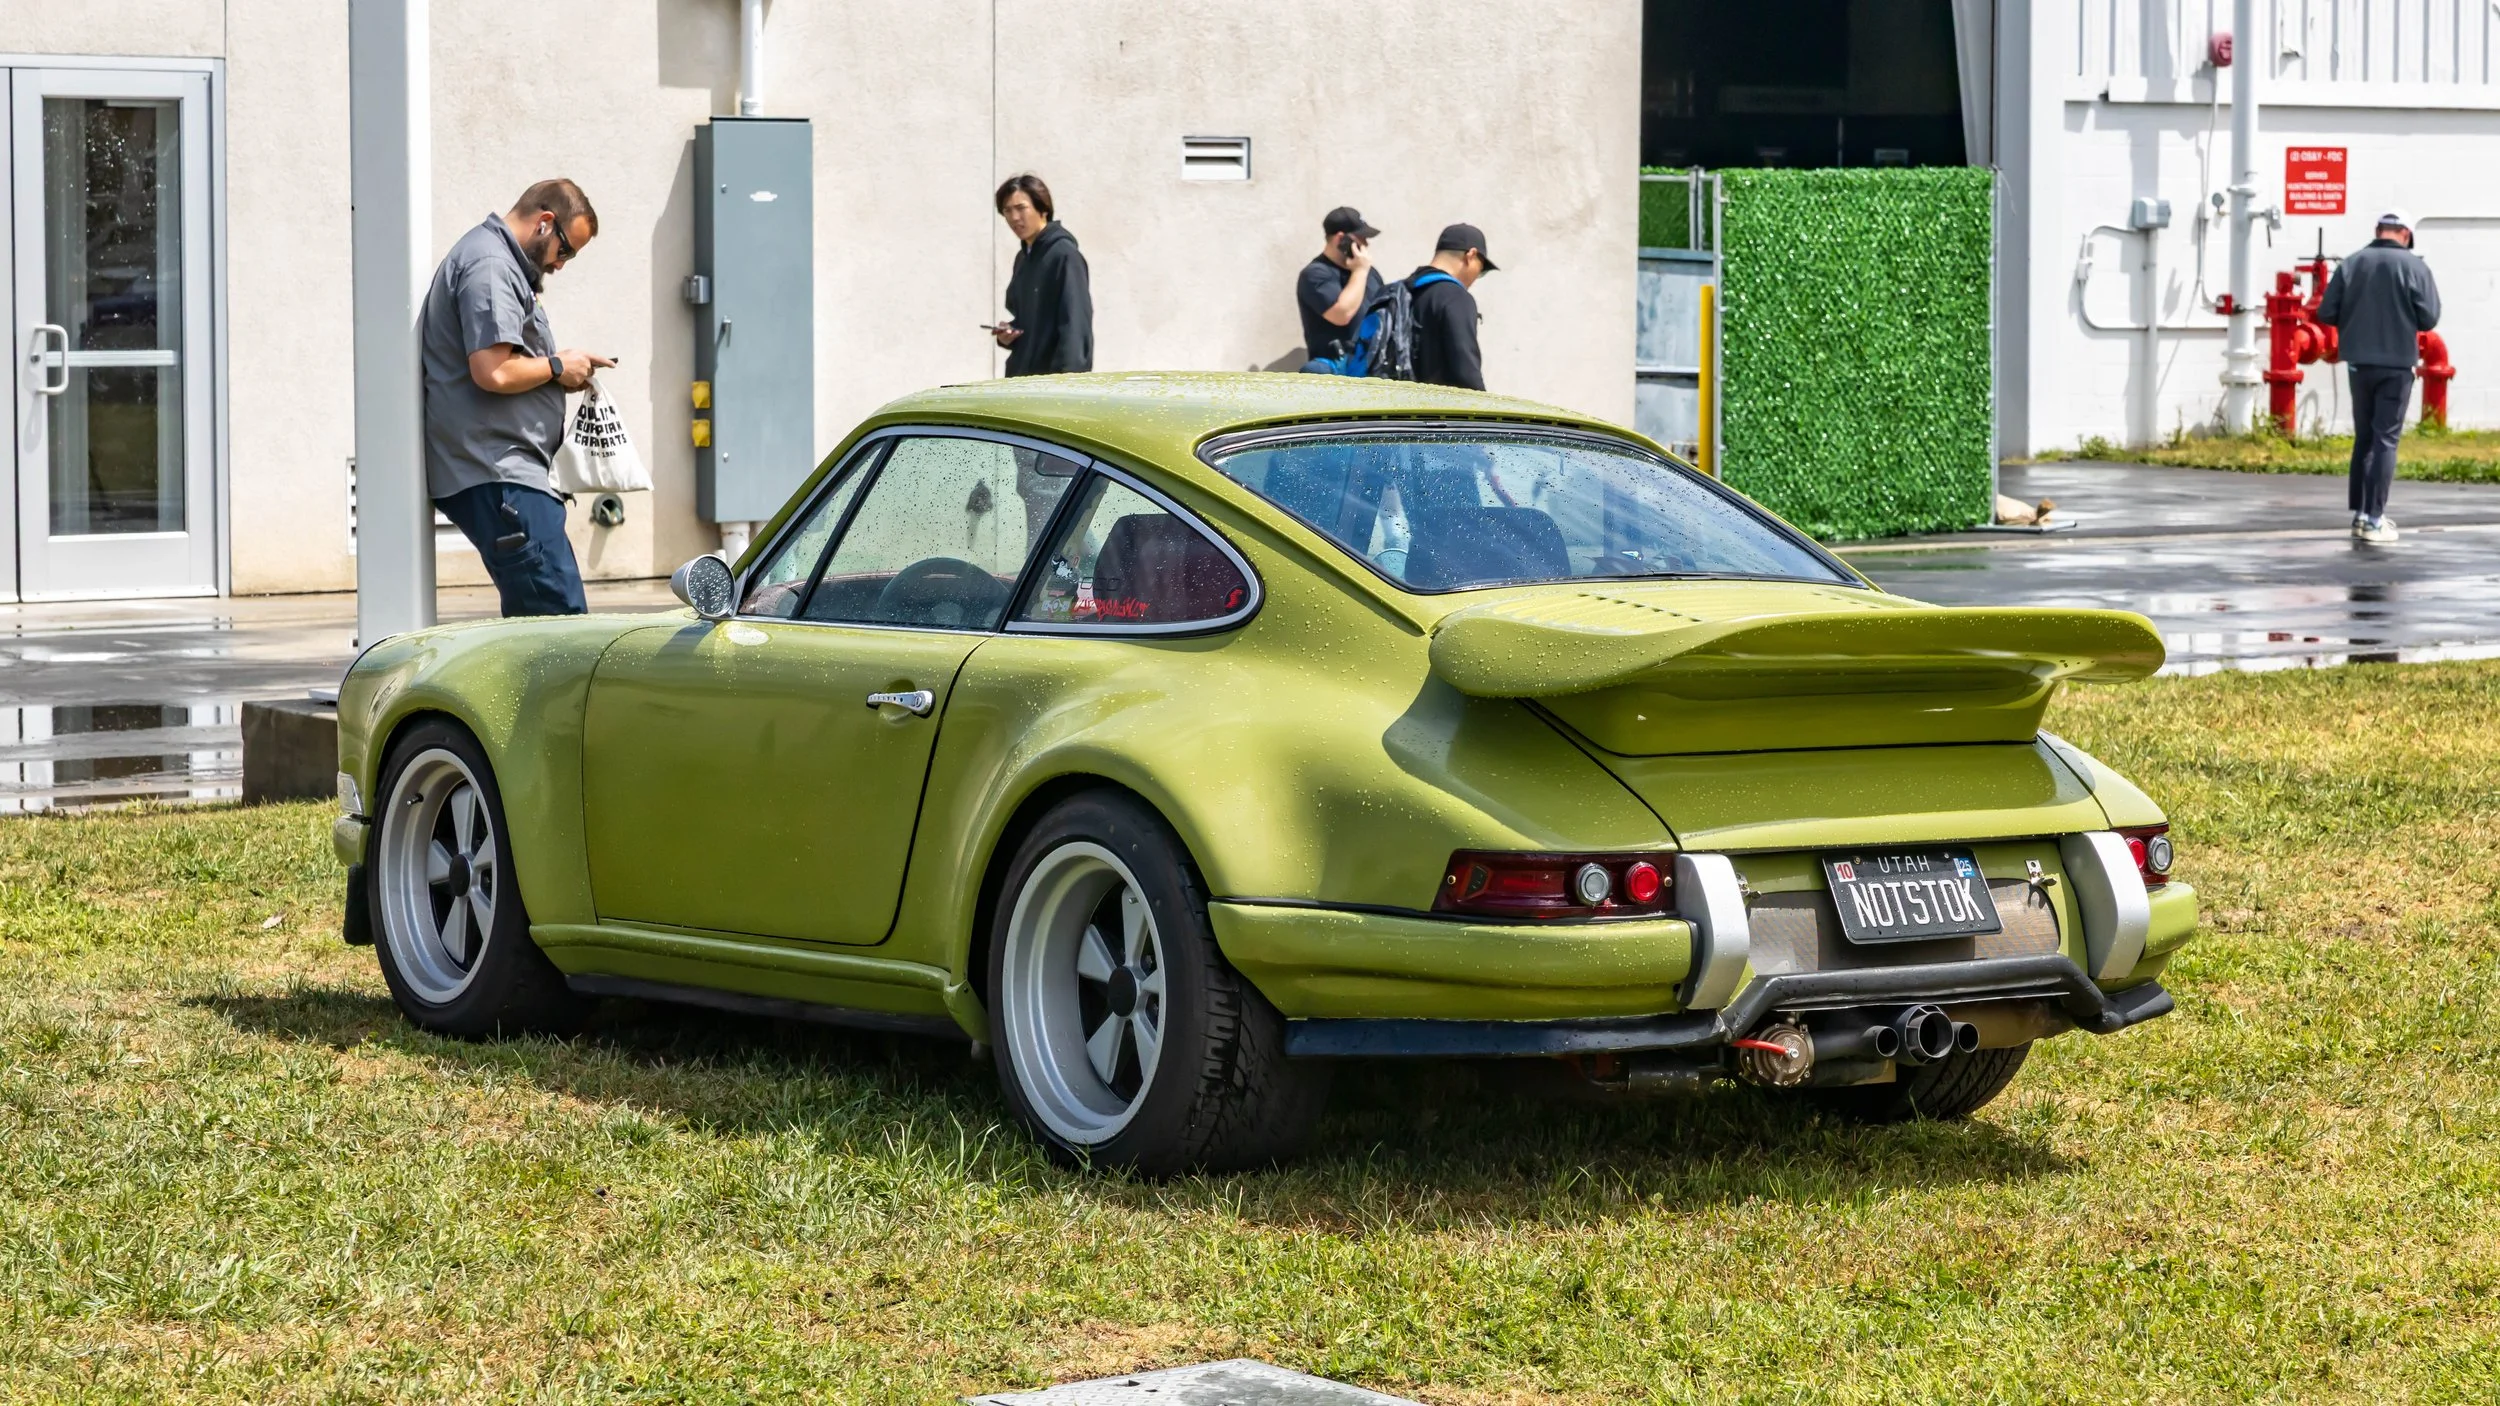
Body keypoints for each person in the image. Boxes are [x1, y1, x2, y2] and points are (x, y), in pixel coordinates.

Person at [420, 178, 613, 616]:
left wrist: (561, 370)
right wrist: (558, 366)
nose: (562, 265)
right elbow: (494, 371)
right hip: (498, 474)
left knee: (544, 629)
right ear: (545, 222)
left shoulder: (500, 264)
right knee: (558, 626)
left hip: (507, 474)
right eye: (566, 251)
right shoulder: (490, 265)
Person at [2317, 207, 2441, 544]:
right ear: (2406, 235)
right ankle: (2375, 519)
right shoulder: (2416, 267)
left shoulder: (2352, 263)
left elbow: (2326, 311)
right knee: (2385, 438)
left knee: (2365, 437)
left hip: (2359, 362)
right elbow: (2429, 319)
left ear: (2377, 230)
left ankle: (2360, 515)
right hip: (2397, 364)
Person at [993, 174, 1093, 376]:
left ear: (1043, 209)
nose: (1014, 218)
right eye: (1007, 211)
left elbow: (1075, 324)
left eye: (1021, 208)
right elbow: (1033, 322)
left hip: (1051, 387)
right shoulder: (1023, 258)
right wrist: (1009, 334)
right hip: (1021, 379)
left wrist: (1068, 382)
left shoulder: (1064, 256)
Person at [1405, 223, 1497, 391]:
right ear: (1471, 255)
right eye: (1481, 270)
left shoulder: (1399, 292)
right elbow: (1465, 369)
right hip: (1435, 412)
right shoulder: (1455, 297)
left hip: (1389, 410)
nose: (1477, 277)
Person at [1296, 206, 1384, 371]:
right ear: (1340, 239)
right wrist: (1359, 271)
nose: (1366, 244)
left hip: (1372, 364)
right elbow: (1342, 314)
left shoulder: (1370, 274)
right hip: (1336, 366)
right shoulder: (1315, 274)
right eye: (1361, 238)